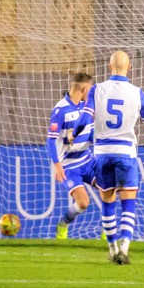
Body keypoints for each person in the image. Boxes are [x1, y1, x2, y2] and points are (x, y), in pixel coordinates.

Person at [74, 51, 144, 264]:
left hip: (103, 153)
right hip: (126, 153)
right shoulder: (137, 93)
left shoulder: (97, 89)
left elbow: (84, 119)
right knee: (128, 202)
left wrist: (73, 134)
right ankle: (125, 247)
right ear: (130, 67)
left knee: (107, 201)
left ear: (109, 66)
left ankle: (112, 246)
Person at [47, 72, 96, 239]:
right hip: (69, 165)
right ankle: (63, 224)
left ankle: (108, 231)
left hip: (88, 160)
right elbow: (51, 140)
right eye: (89, 90)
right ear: (84, 88)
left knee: (108, 187)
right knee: (83, 203)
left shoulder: (86, 107)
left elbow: (91, 131)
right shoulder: (61, 110)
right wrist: (57, 164)